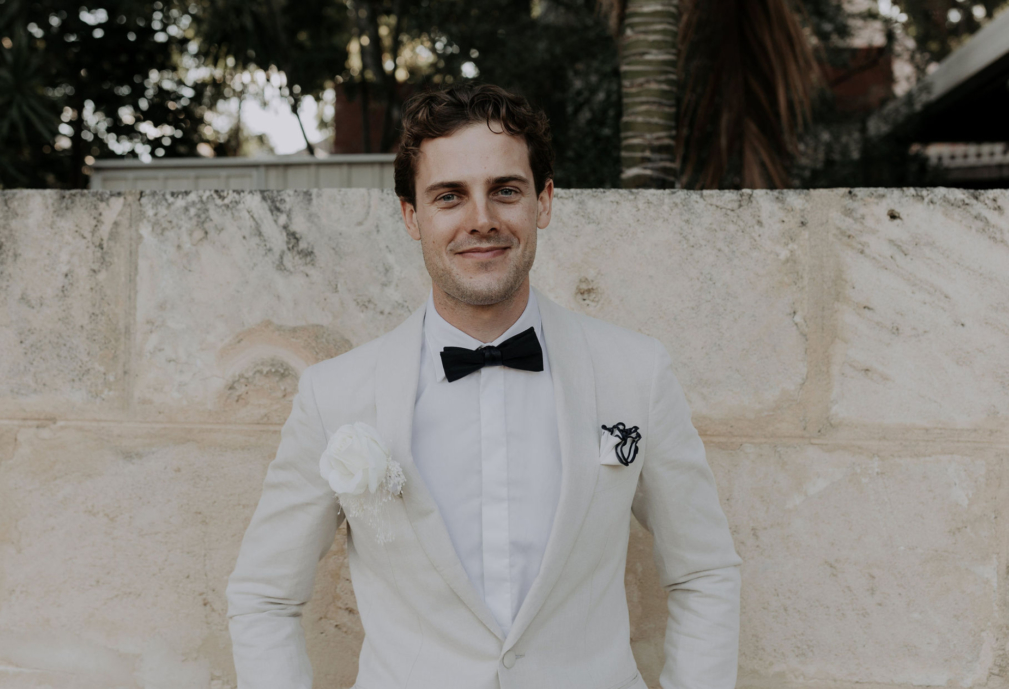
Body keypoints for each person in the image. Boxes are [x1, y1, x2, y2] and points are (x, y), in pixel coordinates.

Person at [225, 84, 741, 689]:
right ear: (411, 215)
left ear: (543, 201)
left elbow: (704, 571)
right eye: (449, 196)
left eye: (506, 190)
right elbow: (263, 596)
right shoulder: (334, 395)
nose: (481, 220)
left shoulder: (636, 372)